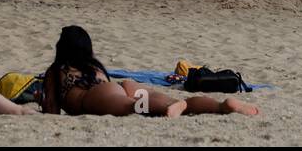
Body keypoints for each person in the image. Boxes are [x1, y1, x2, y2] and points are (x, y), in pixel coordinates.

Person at [41, 26, 260, 117]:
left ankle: (169, 106)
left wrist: (42, 101)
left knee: (134, 107)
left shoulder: (55, 70)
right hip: (123, 85)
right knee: (173, 102)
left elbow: (51, 109)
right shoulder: (95, 66)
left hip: (95, 97)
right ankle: (223, 106)